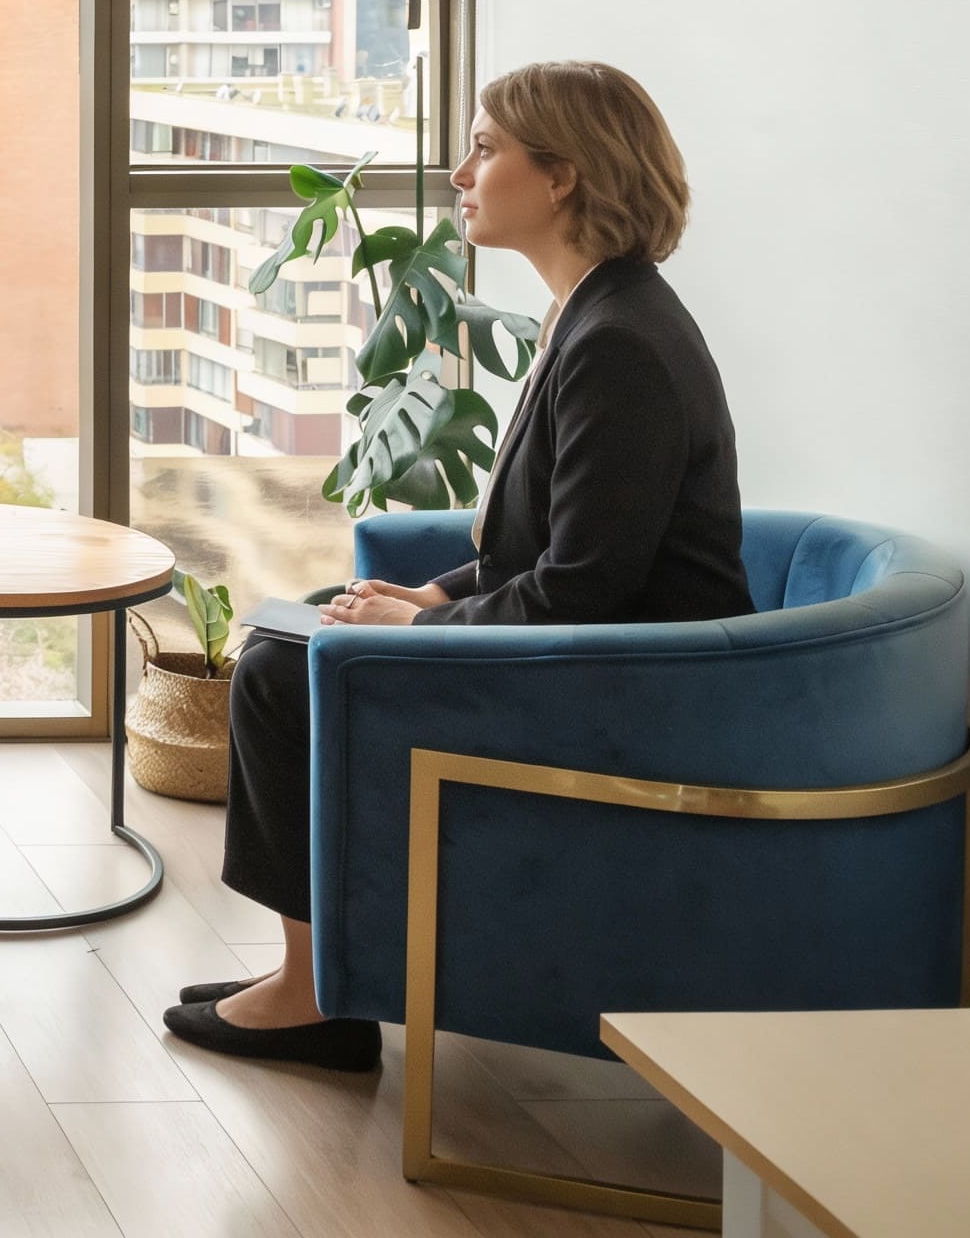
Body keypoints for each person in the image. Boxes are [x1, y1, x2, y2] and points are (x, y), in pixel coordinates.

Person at [166, 60, 753, 1066]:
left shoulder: (619, 341)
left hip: (622, 694)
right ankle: (324, 970)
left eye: (484, 146)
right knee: (298, 623)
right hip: (586, 655)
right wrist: (430, 591)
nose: (457, 171)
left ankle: (316, 993)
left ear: (560, 173)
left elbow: (586, 586)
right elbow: (548, 542)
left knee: (276, 668)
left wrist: (422, 630)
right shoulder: (594, 310)